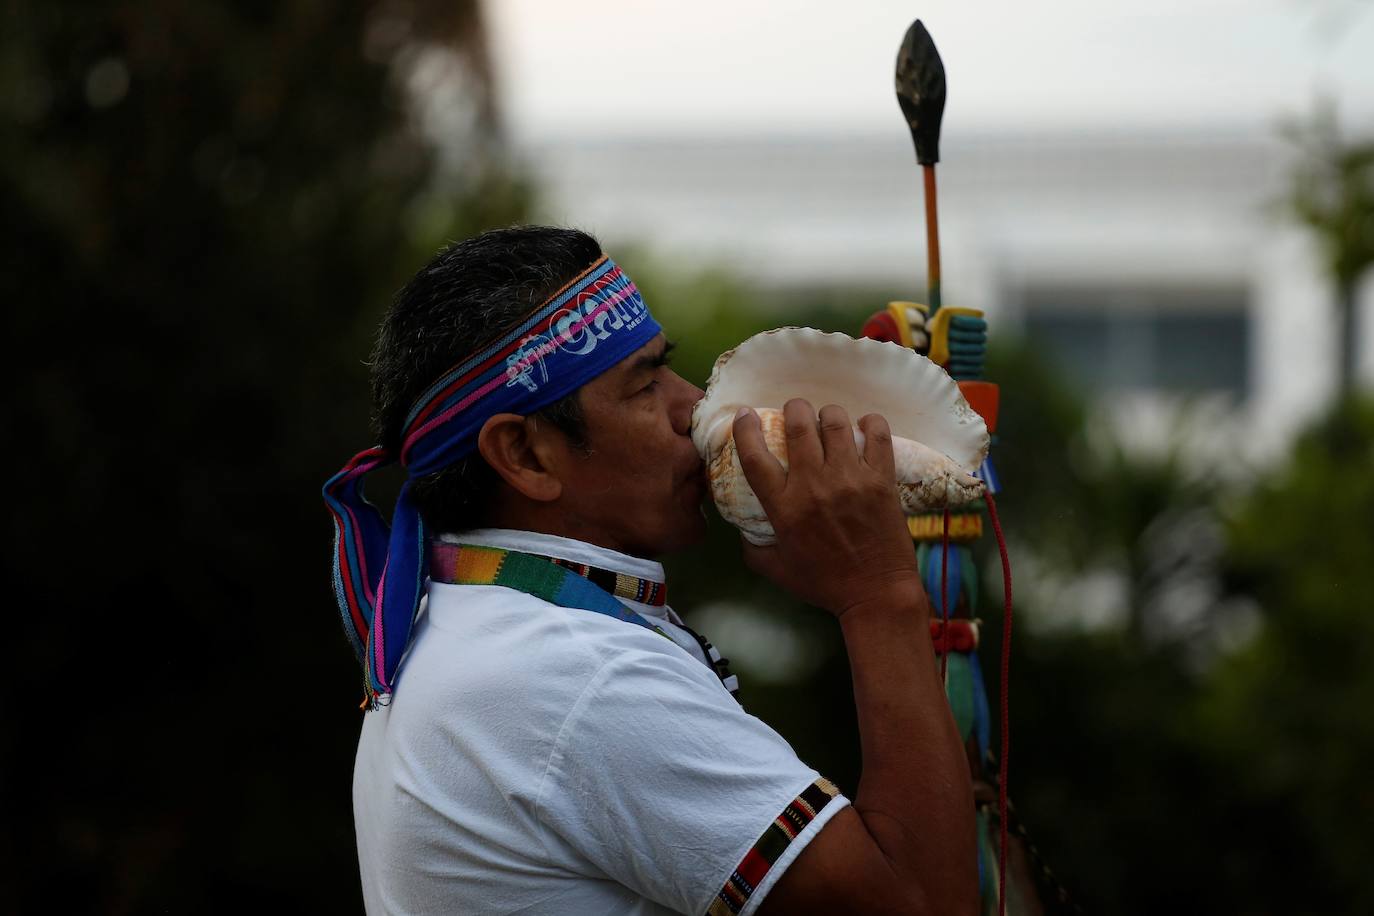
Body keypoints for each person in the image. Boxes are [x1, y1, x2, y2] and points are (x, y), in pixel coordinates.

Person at [324, 226, 977, 915]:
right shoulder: (582, 678)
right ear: (524, 455)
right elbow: (926, 905)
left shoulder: (472, 623)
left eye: (669, 367)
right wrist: (879, 597)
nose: (691, 404)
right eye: (644, 385)